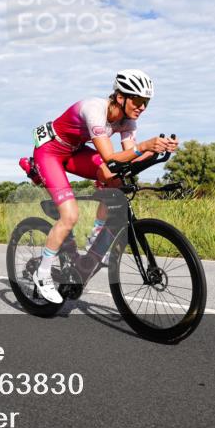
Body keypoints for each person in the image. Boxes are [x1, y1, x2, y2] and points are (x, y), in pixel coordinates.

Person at [19, 70, 178, 303]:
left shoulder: (128, 122)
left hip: (74, 151)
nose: (142, 107)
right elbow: (110, 157)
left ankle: (96, 237)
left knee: (114, 177)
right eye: (138, 100)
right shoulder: (94, 109)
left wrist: (157, 150)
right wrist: (145, 146)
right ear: (120, 97)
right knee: (70, 215)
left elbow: (128, 159)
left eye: (146, 102)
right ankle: (42, 275)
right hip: (50, 152)